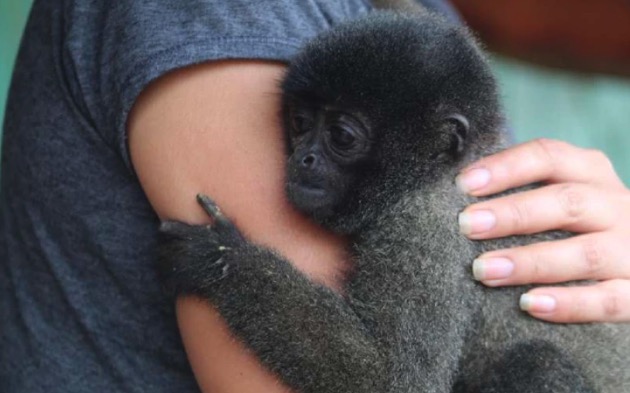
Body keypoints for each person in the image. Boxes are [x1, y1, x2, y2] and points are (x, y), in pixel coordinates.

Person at [0, 1, 628, 393]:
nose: (302, 159)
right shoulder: (216, 15)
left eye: (343, 139)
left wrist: (233, 270)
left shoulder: (425, 45)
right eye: (300, 126)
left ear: (441, 145)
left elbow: (384, 381)